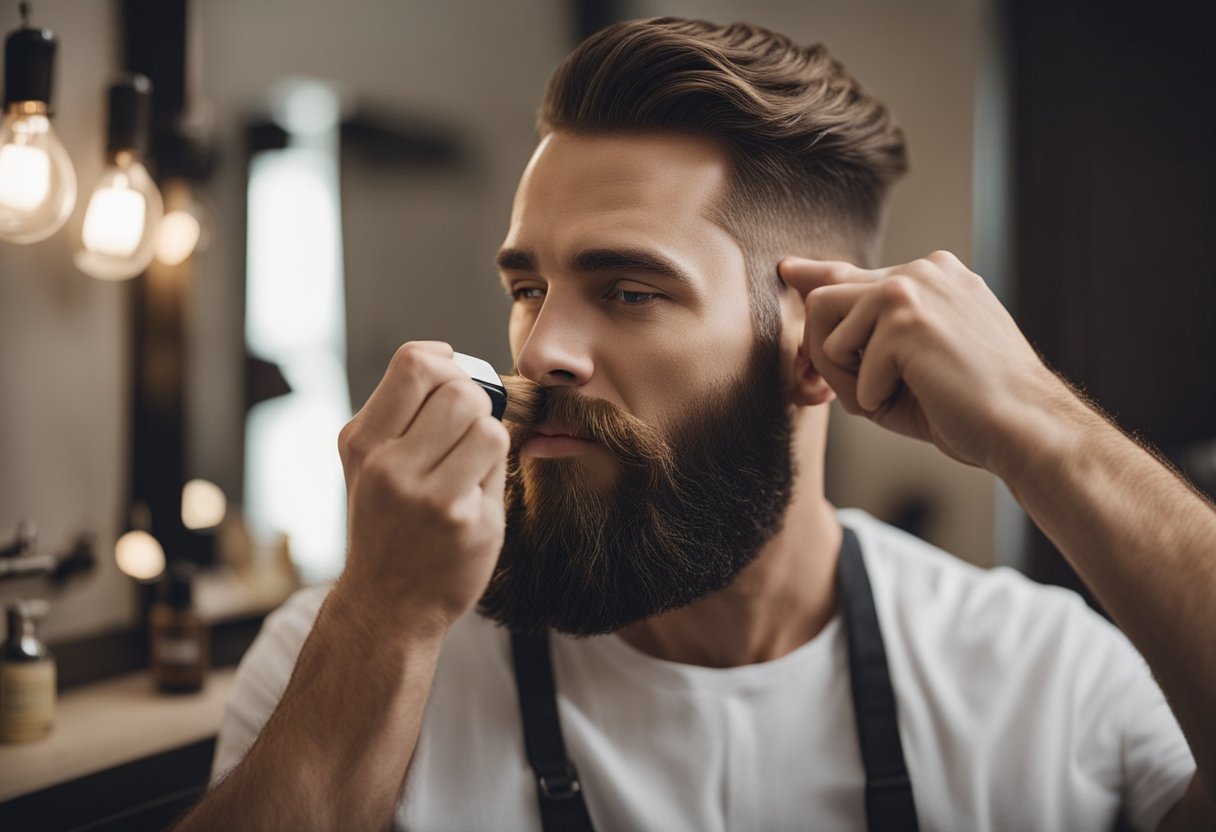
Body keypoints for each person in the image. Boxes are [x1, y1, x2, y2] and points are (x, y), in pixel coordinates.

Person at [178, 18, 1215, 831]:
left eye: (628, 290)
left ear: (815, 342)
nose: (540, 352)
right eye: (529, 286)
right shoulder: (355, 655)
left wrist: (1043, 427)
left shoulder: (1047, 678)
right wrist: (378, 620)